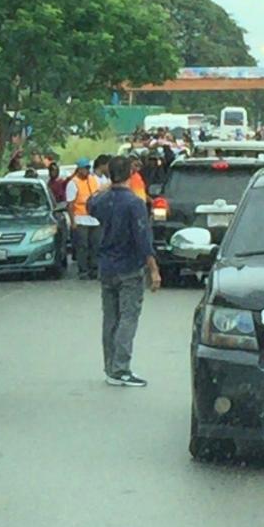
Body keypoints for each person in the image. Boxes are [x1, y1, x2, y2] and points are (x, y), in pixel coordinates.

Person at [87, 155, 161, 388]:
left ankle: (110, 367)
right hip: (129, 266)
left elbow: (90, 203)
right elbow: (142, 239)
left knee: (110, 317)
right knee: (128, 317)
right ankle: (121, 368)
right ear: (130, 173)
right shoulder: (134, 203)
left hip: (107, 266)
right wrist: (154, 269)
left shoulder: (102, 201)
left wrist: (107, 187)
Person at [65, 158, 102, 280]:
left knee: (95, 246)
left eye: (87, 168)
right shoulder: (73, 183)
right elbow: (70, 205)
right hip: (81, 219)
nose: (86, 171)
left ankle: (94, 270)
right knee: (83, 247)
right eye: (83, 168)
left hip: (95, 219)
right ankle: (83, 271)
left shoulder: (94, 180)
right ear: (78, 169)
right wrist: (73, 222)